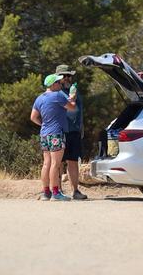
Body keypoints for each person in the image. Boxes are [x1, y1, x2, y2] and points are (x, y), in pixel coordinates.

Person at [30, 73, 77, 201]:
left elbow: (33, 117)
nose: (60, 84)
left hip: (44, 134)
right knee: (55, 164)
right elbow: (72, 108)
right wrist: (72, 97)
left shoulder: (39, 98)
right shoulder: (57, 96)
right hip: (56, 133)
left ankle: (46, 193)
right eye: (58, 83)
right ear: (52, 85)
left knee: (46, 164)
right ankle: (56, 193)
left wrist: (43, 124)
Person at [55, 64, 88, 200]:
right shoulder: (56, 92)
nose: (68, 78)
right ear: (59, 78)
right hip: (61, 131)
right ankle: (58, 191)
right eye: (65, 76)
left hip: (74, 131)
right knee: (58, 162)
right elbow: (68, 107)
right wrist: (71, 98)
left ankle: (75, 191)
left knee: (73, 161)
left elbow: (78, 110)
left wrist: (81, 127)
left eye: (70, 75)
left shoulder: (74, 90)